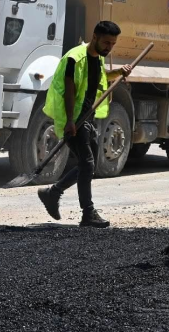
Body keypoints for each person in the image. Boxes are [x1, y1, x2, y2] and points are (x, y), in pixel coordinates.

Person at [38, 21, 132, 228]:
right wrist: (71, 121)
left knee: (88, 164)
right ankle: (88, 213)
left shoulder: (97, 58)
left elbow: (99, 79)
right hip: (73, 119)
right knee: (87, 163)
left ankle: (52, 193)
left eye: (113, 44)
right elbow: (69, 91)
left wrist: (118, 72)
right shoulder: (75, 58)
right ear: (95, 36)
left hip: (87, 118)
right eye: (106, 42)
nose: (109, 47)